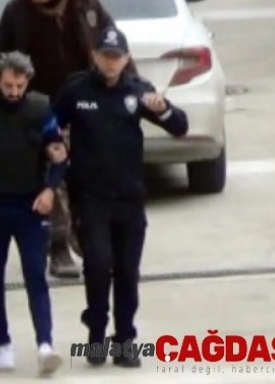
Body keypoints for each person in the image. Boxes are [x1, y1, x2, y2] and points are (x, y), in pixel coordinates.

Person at [52, 27, 188, 367]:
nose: (111, 62)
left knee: (127, 272)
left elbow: (180, 126)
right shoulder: (76, 90)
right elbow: (50, 127)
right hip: (91, 198)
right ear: (94, 56)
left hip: (130, 197)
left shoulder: (138, 91)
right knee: (98, 265)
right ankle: (97, 332)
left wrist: (164, 109)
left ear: (126, 59)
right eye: (105, 56)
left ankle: (125, 339)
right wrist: (55, 154)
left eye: (117, 57)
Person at [0, 0, 136, 278]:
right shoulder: (17, 11)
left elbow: (115, 47)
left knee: (87, 177)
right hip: (41, 109)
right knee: (51, 178)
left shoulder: (86, 4)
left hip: (87, 105)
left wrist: (132, 89)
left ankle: (87, 239)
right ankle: (58, 247)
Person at [0, 52, 67, 374]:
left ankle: (45, 344)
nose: (14, 92)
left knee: (35, 274)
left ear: (27, 82)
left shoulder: (41, 109)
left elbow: (60, 155)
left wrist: (50, 189)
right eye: (8, 86)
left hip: (30, 206)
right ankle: (1, 342)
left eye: (20, 85)